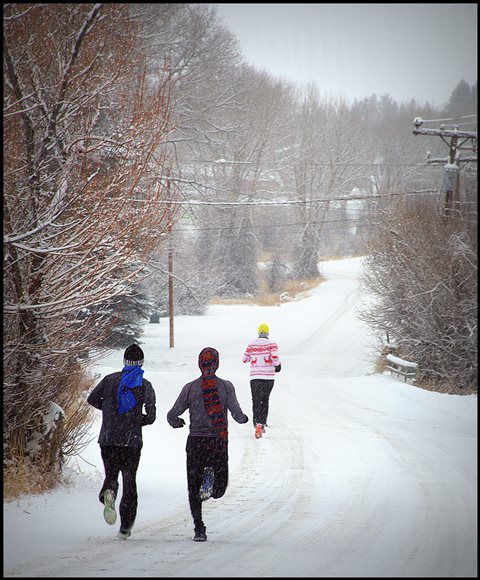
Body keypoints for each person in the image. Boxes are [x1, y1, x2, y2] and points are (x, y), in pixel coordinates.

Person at [167, 347, 248, 542]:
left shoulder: (189, 388)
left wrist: (177, 423)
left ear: (199, 363)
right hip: (218, 442)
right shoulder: (226, 387)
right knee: (219, 491)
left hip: (195, 442)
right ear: (217, 363)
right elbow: (237, 414)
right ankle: (211, 476)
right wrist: (244, 419)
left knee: (193, 488)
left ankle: (199, 528)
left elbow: (172, 415)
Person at [87, 344, 156, 540]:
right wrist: (135, 420)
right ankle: (125, 527)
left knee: (111, 474)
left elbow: (92, 399)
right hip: (131, 442)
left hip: (108, 439)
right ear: (141, 363)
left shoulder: (110, 380)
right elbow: (151, 417)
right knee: (129, 480)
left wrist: (110, 412)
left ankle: (108, 491)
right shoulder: (145, 384)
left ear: (124, 361)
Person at [243, 323, 281, 439]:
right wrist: (278, 365)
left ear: (258, 333)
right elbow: (275, 359)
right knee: (265, 399)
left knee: (256, 399)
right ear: (267, 333)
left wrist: (254, 355)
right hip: (268, 377)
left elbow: (245, 359)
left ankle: (256, 423)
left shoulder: (251, 344)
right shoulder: (272, 344)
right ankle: (263, 422)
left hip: (255, 377)